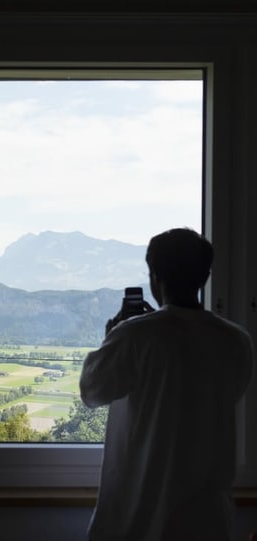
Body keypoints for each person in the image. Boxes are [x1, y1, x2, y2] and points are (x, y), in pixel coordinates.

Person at [80, 228, 253, 541]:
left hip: (140, 517)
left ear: (154, 276)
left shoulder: (135, 335)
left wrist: (112, 336)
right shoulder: (237, 341)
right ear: (206, 275)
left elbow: (92, 391)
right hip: (208, 522)